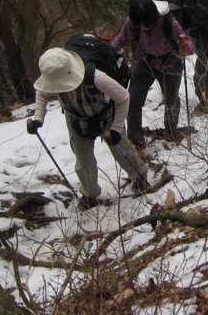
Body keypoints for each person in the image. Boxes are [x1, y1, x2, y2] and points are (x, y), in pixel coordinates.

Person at [26, 47, 149, 210]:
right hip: (76, 120)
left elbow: (123, 97)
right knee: (83, 160)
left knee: (121, 150)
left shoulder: (96, 77)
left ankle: (139, 176)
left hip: (106, 116)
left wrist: (116, 129)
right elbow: (41, 93)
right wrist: (38, 119)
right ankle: (90, 195)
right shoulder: (51, 75)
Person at [111, 0, 194, 147]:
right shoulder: (133, 22)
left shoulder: (169, 23)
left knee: (171, 99)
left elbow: (188, 42)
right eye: (140, 25)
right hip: (146, 61)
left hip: (170, 64)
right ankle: (136, 138)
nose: (142, 28)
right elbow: (121, 38)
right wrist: (108, 53)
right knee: (133, 98)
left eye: (145, 25)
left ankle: (171, 130)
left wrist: (185, 45)